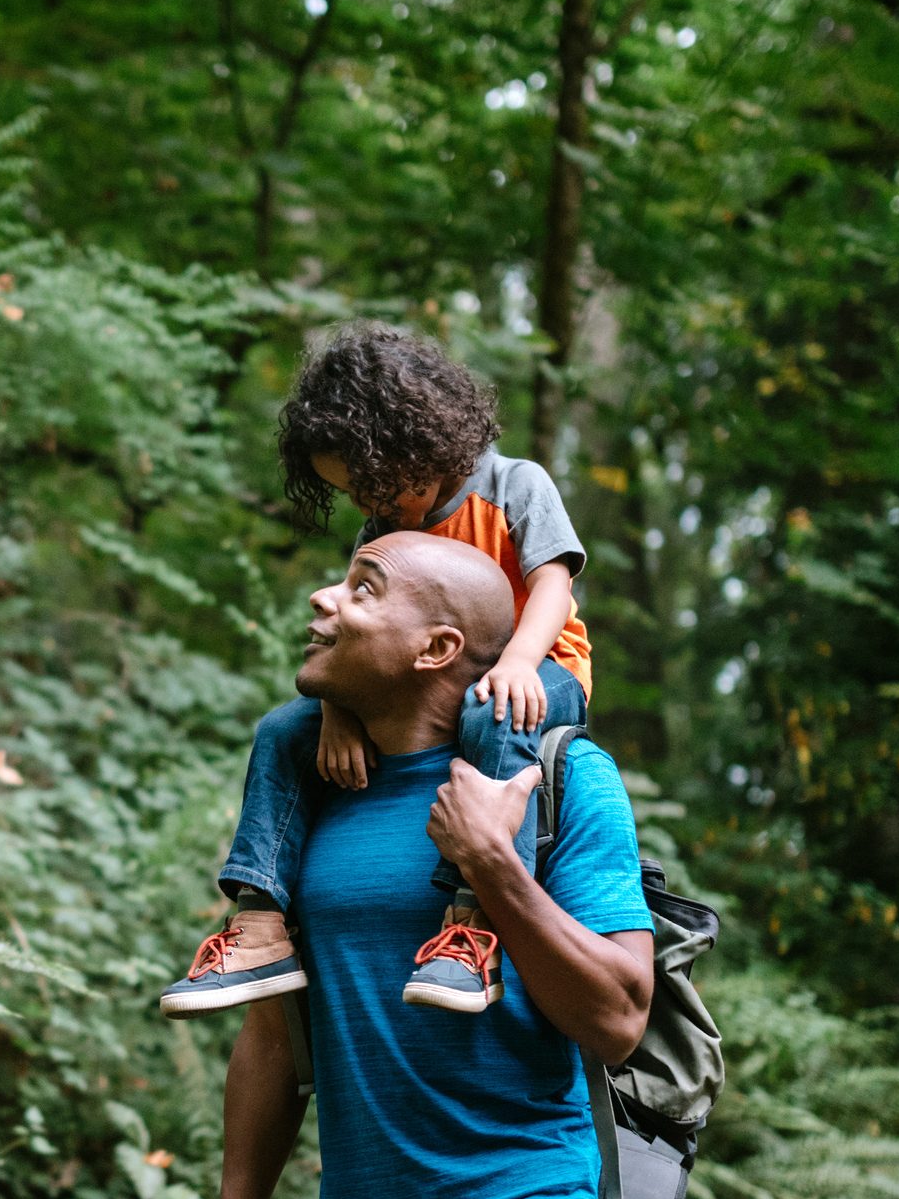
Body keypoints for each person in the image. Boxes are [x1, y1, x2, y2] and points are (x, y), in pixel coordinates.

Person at [177, 532, 654, 1199]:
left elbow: (620, 1018)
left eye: (362, 590)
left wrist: (494, 867)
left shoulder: (559, 779)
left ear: (434, 649)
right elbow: (277, 1041)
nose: (322, 599)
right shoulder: (307, 794)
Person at [160, 321, 595, 1018]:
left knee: (494, 710)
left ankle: (470, 920)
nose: (369, 506)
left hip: (537, 667)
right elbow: (349, 641)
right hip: (422, 683)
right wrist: (337, 711)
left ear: (416, 439)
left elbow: (553, 585)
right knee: (281, 731)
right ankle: (258, 924)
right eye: (353, 494)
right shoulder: (383, 532)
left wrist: (518, 660)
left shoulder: (514, 484)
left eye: (374, 483)